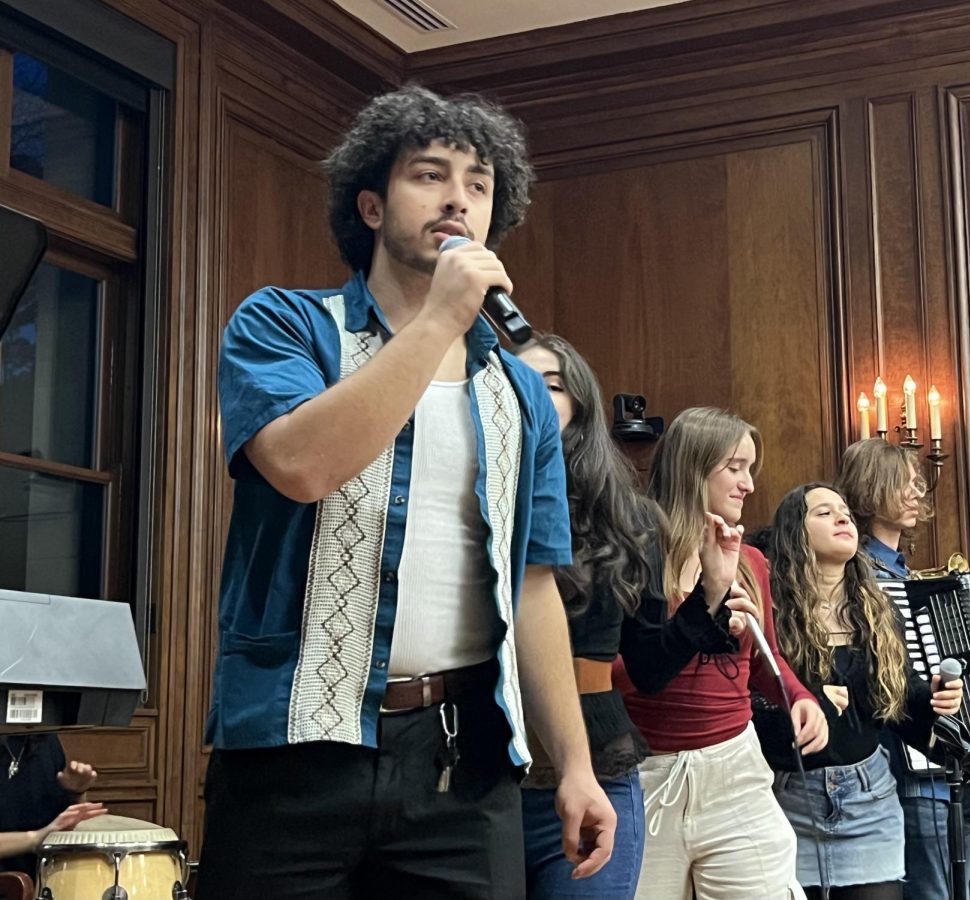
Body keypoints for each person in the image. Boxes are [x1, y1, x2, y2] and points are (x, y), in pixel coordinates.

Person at [200, 85, 614, 899]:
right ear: (369, 204)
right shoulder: (285, 325)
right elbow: (302, 465)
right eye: (430, 175)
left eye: (479, 184)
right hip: (291, 756)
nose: (458, 197)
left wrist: (575, 765)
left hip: (461, 766)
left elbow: (533, 585)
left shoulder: (522, 395)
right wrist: (437, 324)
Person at [517, 336, 762, 899]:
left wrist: (711, 593)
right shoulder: (472, 495)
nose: (530, 393)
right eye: (516, 378)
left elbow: (650, 666)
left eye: (551, 384)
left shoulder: (629, 519)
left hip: (597, 760)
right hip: (482, 766)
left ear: (580, 402)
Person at [615, 406, 829, 900]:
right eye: (734, 467)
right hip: (648, 774)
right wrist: (696, 625)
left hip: (735, 771)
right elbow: (612, 673)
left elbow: (764, 658)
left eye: (750, 469)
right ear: (694, 468)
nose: (749, 484)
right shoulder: (635, 553)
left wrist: (799, 696)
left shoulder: (751, 559)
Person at [765, 483, 964, 900]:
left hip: (869, 801)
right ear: (793, 533)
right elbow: (751, 706)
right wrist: (810, 704)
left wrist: (931, 700)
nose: (842, 518)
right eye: (823, 513)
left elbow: (892, 704)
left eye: (844, 512)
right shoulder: (772, 612)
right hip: (786, 801)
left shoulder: (877, 611)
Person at [835, 439, 970, 900]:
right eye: (904, 483)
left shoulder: (904, 574)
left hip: (949, 773)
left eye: (919, 482)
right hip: (908, 768)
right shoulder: (856, 574)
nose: (918, 492)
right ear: (871, 490)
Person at [0, 734, 103, 876]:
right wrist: (36, 838)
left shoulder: (45, 738)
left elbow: (59, 823)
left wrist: (74, 792)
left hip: (46, 874)